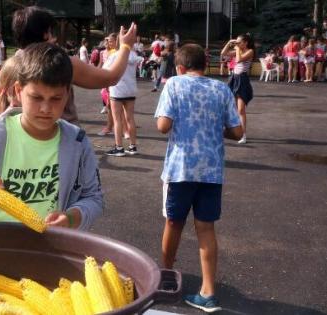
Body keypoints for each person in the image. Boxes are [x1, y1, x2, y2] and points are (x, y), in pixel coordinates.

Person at [0, 42, 103, 230]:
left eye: (56, 98)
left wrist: (72, 217)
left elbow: (94, 197)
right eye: (36, 97)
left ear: (67, 94)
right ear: (18, 91)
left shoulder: (78, 142)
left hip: (49, 247)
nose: (45, 108)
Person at [155, 43, 243, 313]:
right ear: (204, 66)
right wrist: (213, 128)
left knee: (174, 222)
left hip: (182, 168)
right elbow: (237, 132)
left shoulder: (174, 84)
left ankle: (167, 277)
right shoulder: (221, 88)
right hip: (212, 170)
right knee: (206, 229)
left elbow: (163, 126)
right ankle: (208, 292)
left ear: (180, 67)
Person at [10, 6, 137, 125]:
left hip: (22, 138)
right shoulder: (60, 62)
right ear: (45, 34)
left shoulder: (11, 64)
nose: (54, 37)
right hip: (62, 136)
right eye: (51, 31)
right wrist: (126, 46)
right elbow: (111, 78)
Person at [103, 44, 144, 156]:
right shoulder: (133, 54)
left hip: (117, 89)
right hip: (131, 89)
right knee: (130, 118)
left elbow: (105, 69)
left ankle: (119, 147)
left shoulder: (115, 55)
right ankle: (133, 146)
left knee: (117, 120)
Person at [221, 33, 254, 144]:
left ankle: (243, 135)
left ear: (246, 43)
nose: (238, 44)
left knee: (241, 109)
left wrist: (237, 48)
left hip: (242, 80)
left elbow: (239, 60)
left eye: (240, 42)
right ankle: (233, 131)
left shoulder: (250, 51)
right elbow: (223, 53)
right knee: (232, 108)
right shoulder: (238, 50)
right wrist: (228, 43)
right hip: (234, 78)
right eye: (237, 42)